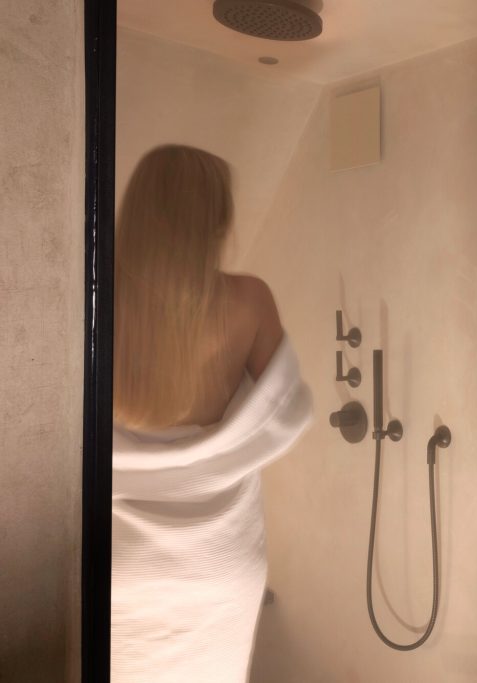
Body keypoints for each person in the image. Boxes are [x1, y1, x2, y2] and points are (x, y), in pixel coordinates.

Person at [111, 144, 312, 682]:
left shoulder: (94, 297)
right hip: (220, 560)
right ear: (217, 219)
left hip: (117, 561)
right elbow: (282, 409)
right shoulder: (248, 301)